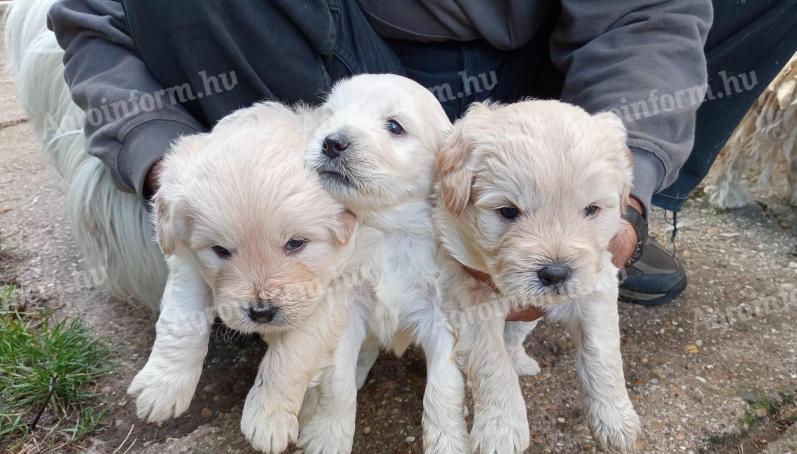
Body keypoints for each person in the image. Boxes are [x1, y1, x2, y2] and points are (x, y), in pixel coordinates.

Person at [46, 0, 797, 315]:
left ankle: (572, 214)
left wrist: (616, 190)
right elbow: (99, 19)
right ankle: (299, 233)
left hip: (522, 67)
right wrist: (175, 174)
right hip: (310, 64)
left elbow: (645, 15)